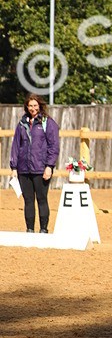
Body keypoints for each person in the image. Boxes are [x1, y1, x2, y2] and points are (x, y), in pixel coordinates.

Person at [9, 94, 60, 234]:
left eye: (35, 105)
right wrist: (14, 167)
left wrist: (49, 166)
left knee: (42, 199)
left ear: (40, 106)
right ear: (26, 106)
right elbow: (16, 146)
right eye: (30, 106)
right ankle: (29, 229)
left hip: (41, 168)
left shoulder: (47, 123)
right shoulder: (22, 124)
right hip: (24, 169)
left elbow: (53, 146)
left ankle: (43, 229)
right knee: (28, 200)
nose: (32, 108)